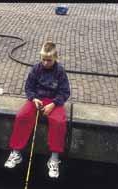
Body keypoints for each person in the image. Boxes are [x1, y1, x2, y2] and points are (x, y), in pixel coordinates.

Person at [4, 41, 70, 178]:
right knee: (22, 116)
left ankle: (54, 158)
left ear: (55, 58)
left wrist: (53, 104)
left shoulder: (60, 71)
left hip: (53, 102)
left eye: (49, 60)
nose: (45, 63)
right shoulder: (36, 69)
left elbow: (65, 92)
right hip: (37, 100)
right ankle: (16, 152)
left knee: (58, 122)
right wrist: (33, 98)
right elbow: (28, 87)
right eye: (43, 59)